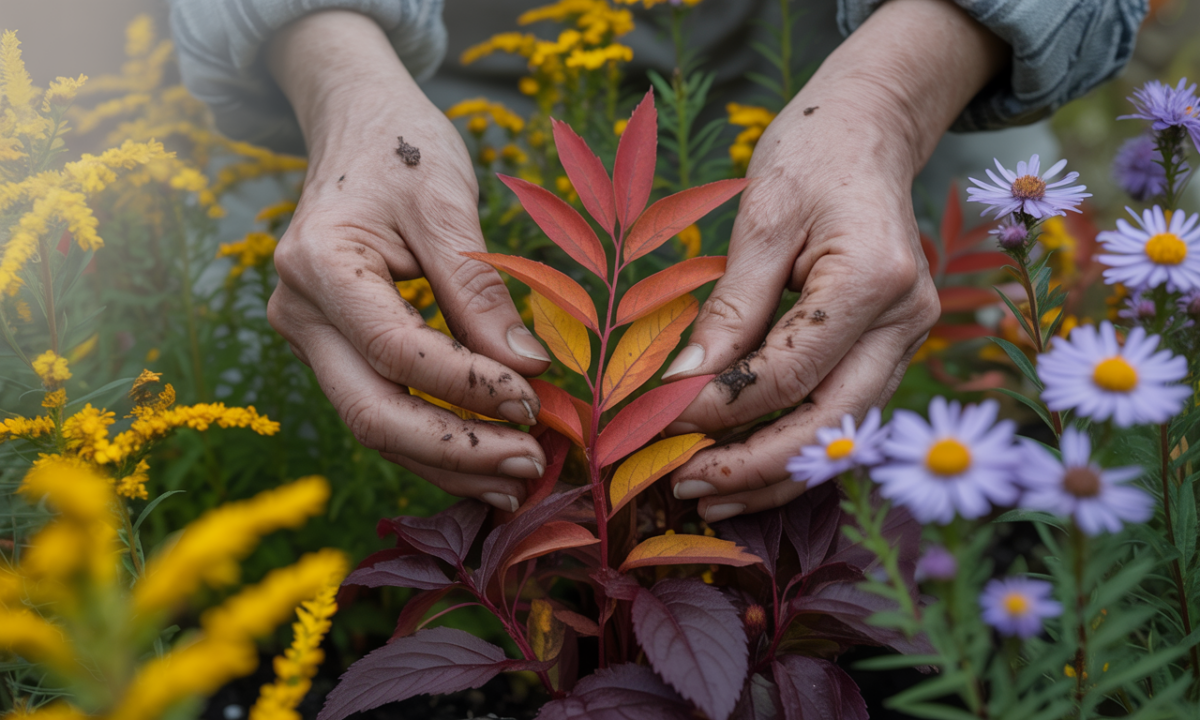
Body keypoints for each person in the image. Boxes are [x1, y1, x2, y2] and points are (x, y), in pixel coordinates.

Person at [168, 0, 1146, 521]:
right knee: (225, 356)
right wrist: (334, 72)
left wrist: (896, 98)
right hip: (419, 65)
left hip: (856, 52)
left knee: (945, 399)